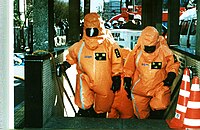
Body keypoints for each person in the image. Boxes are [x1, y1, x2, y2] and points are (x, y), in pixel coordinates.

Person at [57, 12, 123, 118]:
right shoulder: (80, 46)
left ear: (99, 28)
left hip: (104, 82)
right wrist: (65, 65)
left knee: (102, 108)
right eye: (89, 30)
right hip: (86, 79)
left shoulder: (110, 45)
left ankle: (98, 118)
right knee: (84, 101)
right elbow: (71, 57)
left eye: (94, 30)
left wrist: (116, 76)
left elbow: (117, 61)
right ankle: (85, 113)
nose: (91, 33)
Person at [123, 26, 180, 119]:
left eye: (151, 47)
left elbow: (173, 64)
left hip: (159, 86)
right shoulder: (136, 52)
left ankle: (155, 121)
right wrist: (127, 79)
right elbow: (129, 67)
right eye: (147, 47)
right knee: (140, 113)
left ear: (157, 43)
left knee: (160, 104)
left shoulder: (164, 51)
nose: (149, 50)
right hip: (140, 88)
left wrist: (171, 76)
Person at [105, 29, 134, 119]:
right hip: (126, 95)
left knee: (110, 122)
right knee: (128, 121)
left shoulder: (106, 54)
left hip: (111, 95)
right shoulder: (130, 54)